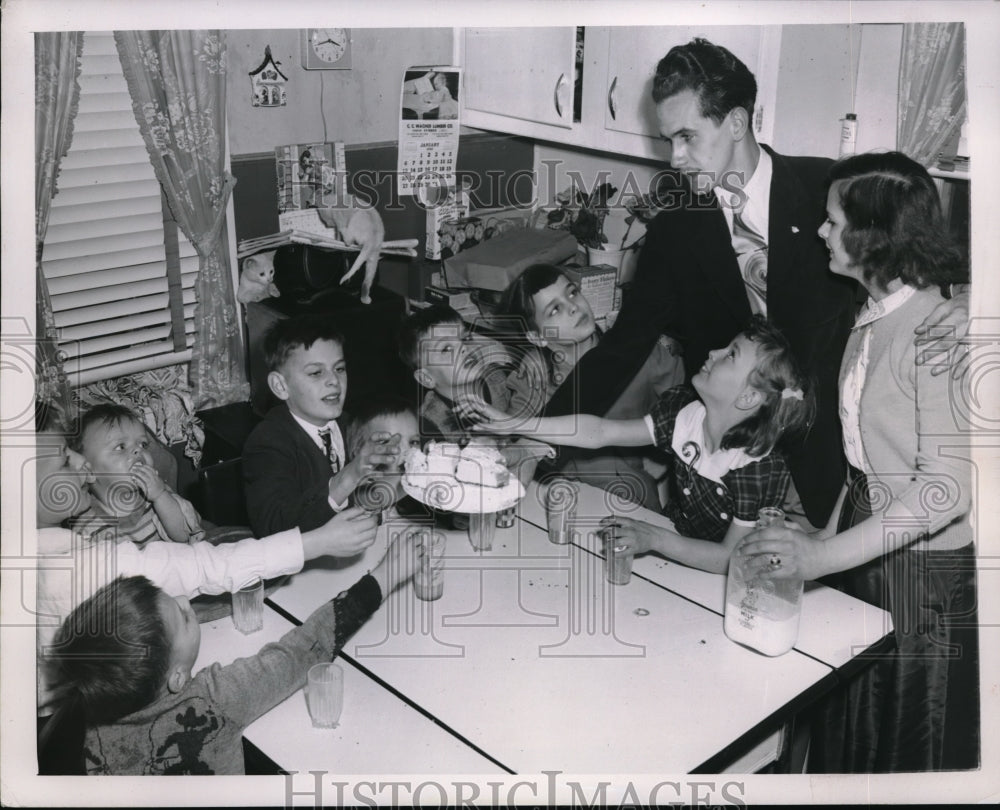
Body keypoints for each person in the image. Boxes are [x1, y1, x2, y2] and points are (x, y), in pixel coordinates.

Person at [541, 38, 969, 533]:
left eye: (688, 136)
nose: (675, 158)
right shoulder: (675, 227)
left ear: (737, 122)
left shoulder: (826, 192)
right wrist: (542, 441)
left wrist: (964, 302)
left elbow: (916, 264)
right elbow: (621, 348)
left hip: (824, 472)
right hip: (726, 472)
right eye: (667, 141)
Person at [739, 151, 978, 773]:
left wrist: (820, 557)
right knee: (852, 730)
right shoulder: (869, 318)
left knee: (899, 746)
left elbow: (944, 492)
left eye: (832, 219)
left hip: (921, 578)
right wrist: (826, 533)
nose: (820, 231)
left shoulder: (935, 332)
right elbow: (862, 463)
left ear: (871, 237)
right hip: (869, 549)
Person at [34, 410, 379, 727]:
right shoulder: (80, 564)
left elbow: (187, 544)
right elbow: (200, 566)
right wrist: (319, 541)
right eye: (65, 458)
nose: (79, 462)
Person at [38, 532, 417, 774]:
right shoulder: (213, 700)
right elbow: (302, 651)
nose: (187, 601)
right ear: (177, 678)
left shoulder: (71, 724)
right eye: (185, 616)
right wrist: (384, 577)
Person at [475, 316, 815, 574]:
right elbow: (599, 432)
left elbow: (730, 558)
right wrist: (518, 424)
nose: (714, 352)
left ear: (749, 396)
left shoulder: (756, 468)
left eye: (730, 355)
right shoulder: (683, 413)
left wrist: (653, 539)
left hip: (732, 576)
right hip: (679, 551)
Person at [501, 262, 683, 509]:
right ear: (537, 337)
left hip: (629, 500)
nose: (574, 307)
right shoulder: (533, 377)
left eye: (572, 292)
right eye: (555, 310)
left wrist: (659, 460)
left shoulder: (640, 355)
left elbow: (688, 416)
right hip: (554, 502)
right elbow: (514, 445)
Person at [242, 315, 401, 536]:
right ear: (280, 386)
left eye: (340, 369)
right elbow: (274, 529)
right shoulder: (268, 443)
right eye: (316, 372)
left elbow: (370, 501)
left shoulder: (350, 424)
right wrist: (348, 478)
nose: (334, 381)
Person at [72, 403, 203, 547]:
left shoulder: (156, 493)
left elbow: (184, 535)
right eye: (121, 447)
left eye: (143, 444)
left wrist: (160, 496)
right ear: (88, 471)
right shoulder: (87, 529)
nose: (137, 450)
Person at [396, 304, 513, 442]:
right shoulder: (427, 425)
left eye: (465, 339)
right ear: (426, 378)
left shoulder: (500, 376)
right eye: (446, 349)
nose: (464, 347)